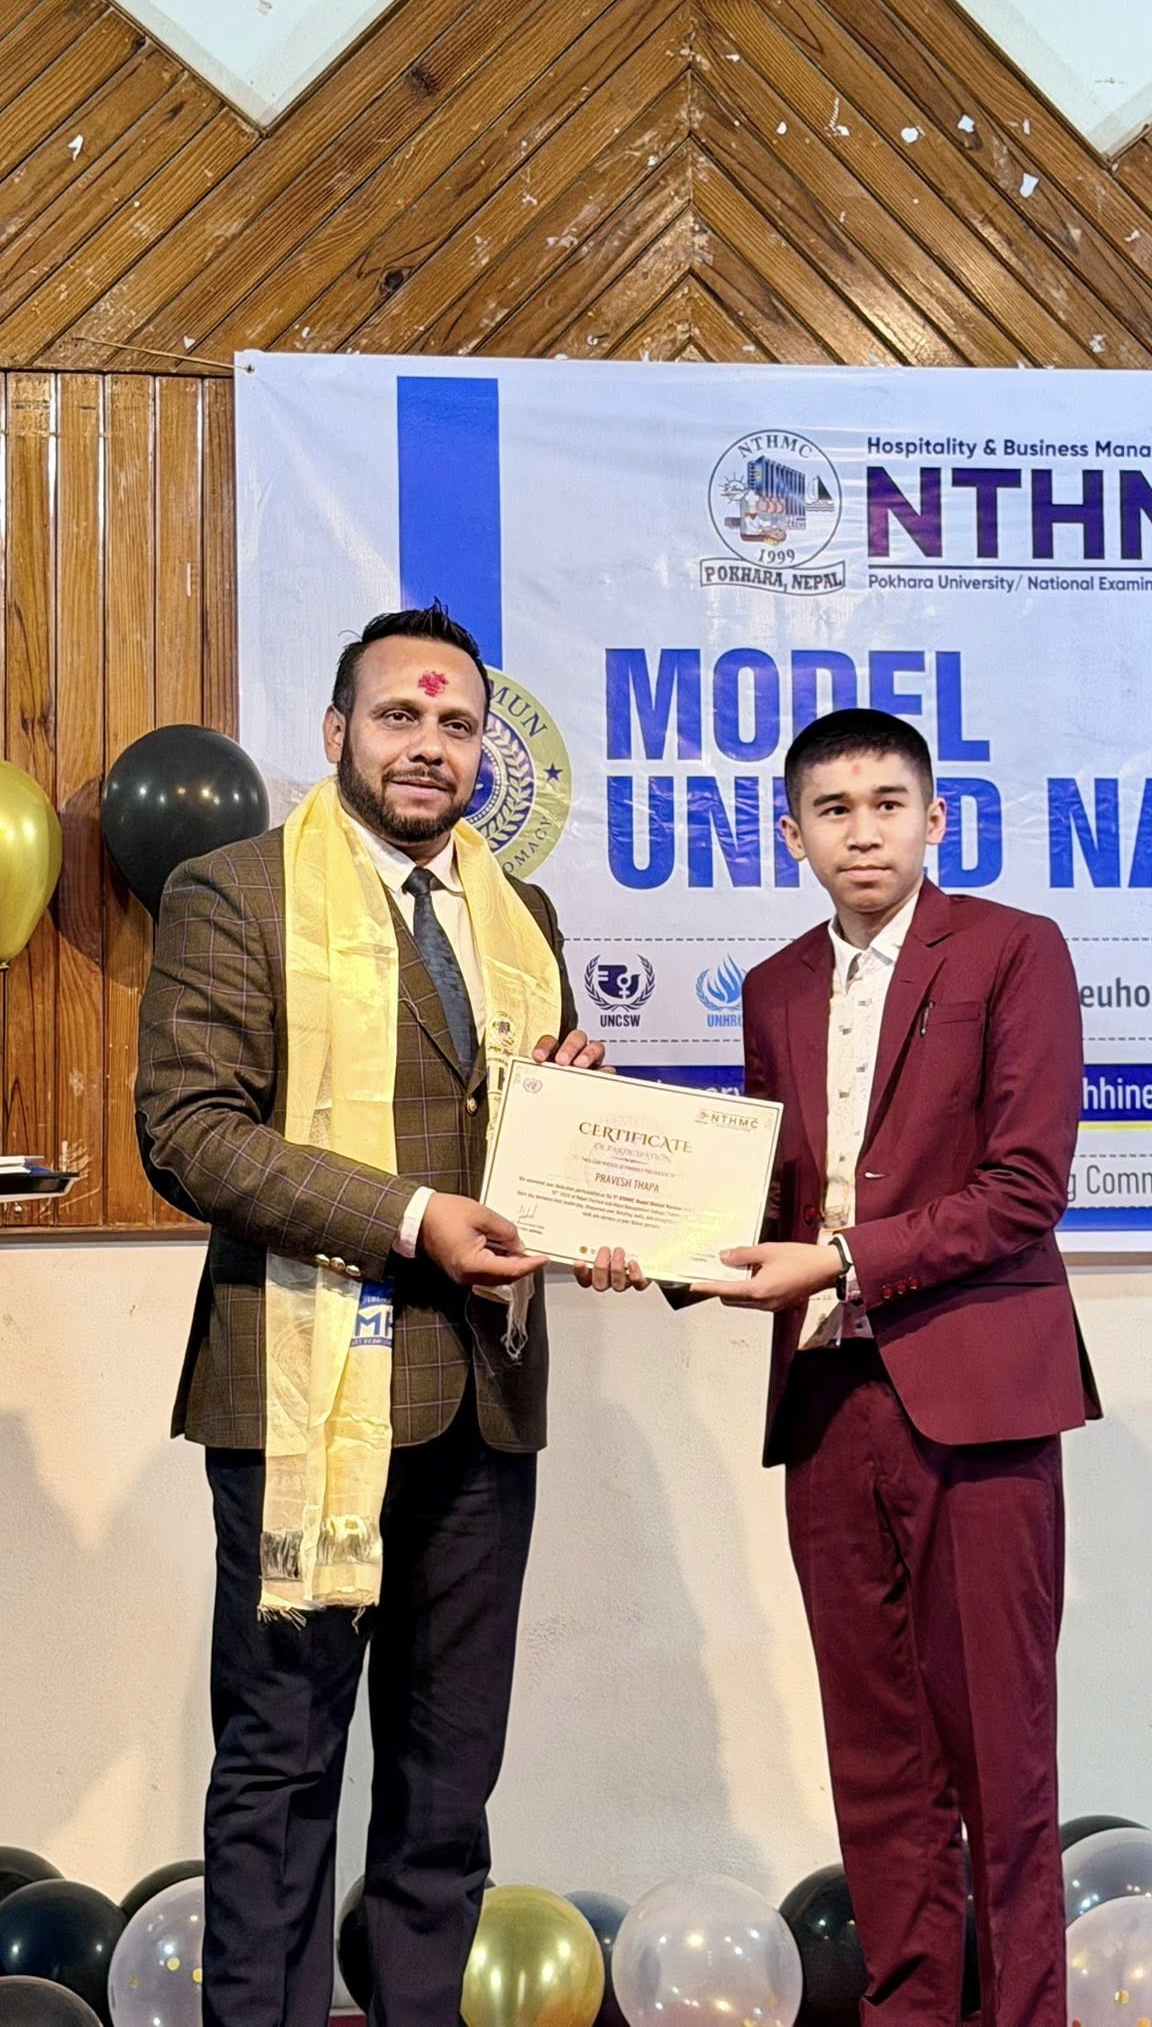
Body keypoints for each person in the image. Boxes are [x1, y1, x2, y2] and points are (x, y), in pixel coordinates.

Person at [136, 603, 616, 2027]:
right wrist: (412, 1219)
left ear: (484, 754)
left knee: (448, 1781)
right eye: (399, 717)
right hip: (302, 1404)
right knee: (282, 1768)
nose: (428, 747)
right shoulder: (236, 893)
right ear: (337, 732)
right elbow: (191, 1131)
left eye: (456, 725)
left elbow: (517, 1146)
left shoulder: (522, 917)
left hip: (485, 1399)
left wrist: (575, 1132)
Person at [689, 708, 1099, 2027]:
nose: (861, 831)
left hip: (977, 1398)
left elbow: (1024, 1186)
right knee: (876, 1755)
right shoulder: (773, 987)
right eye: (833, 809)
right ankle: (912, 2009)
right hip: (825, 1400)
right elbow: (767, 1197)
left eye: (886, 804)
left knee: (1001, 1753)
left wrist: (844, 1260)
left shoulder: (1014, 949)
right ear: (790, 834)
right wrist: (653, 1247)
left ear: (935, 819)